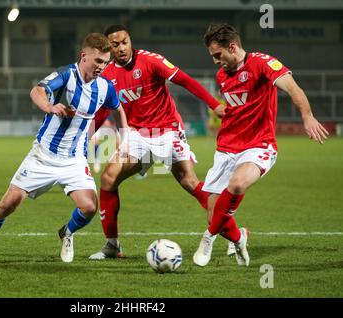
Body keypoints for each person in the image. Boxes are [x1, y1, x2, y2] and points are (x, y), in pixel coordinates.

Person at [0, 33, 128, 266]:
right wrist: (50, 107)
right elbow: (37, 90)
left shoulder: (105, 87)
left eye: (106, 63)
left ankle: (66, 232)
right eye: (98, 61)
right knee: (7, 205)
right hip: (43, 156)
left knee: (89, 207)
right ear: (84, 55)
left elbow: (117, 109)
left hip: (74, 159)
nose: (102, 67)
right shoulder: (66, 75)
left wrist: (125, 135)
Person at [193, 23, 329, 267]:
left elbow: (292, 87)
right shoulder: (222, 75)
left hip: (259, 144)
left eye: (218, 55)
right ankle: (239, 238)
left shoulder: (263, 63)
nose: (215, 61)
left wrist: (307, 116)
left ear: (232, 47)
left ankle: (207, 239)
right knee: (217, 217)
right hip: (226, 147)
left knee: (237, 185)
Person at [89, 25, 224, 260]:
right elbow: (103, 109)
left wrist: (214, 105)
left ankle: (233, 232)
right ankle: (112, 245)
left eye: (124, 42)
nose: (121, 48)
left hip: (167, 130)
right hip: (137, 135)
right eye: (115, 44)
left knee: (189, 182)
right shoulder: (107, 74)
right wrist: (87, 133)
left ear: (130, 41)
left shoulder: (151, 61)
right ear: (107, 47)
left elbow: (186, 81)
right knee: (109, 178)